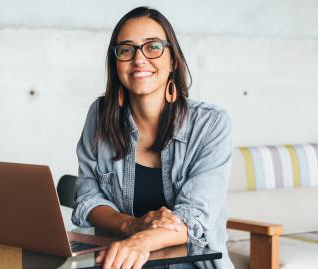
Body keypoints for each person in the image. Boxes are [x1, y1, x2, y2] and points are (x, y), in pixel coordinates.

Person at [71, 6, 234, 269]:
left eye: (153, 47)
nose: (139, 59)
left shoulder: (211, 124)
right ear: (116, 64)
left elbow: (194, 219)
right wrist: (131, 224)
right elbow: (89, 198)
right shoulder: (100, 114)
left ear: (173, 61)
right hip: (121, 263)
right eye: (126, 49)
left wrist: (140, 241)